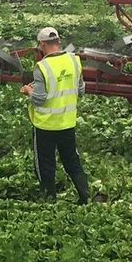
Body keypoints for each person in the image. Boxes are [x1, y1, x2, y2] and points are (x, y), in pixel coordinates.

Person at [18, 25, 90, 204]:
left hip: (46, 125)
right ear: (58, 41)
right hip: (67, 123)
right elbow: (81, 90)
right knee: (72, 161)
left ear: (42, 45)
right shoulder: (74, 60)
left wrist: (28, 91)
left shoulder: (42, 67)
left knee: (45, 164)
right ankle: (86, 197)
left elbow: (39, 99)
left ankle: (49, 201)